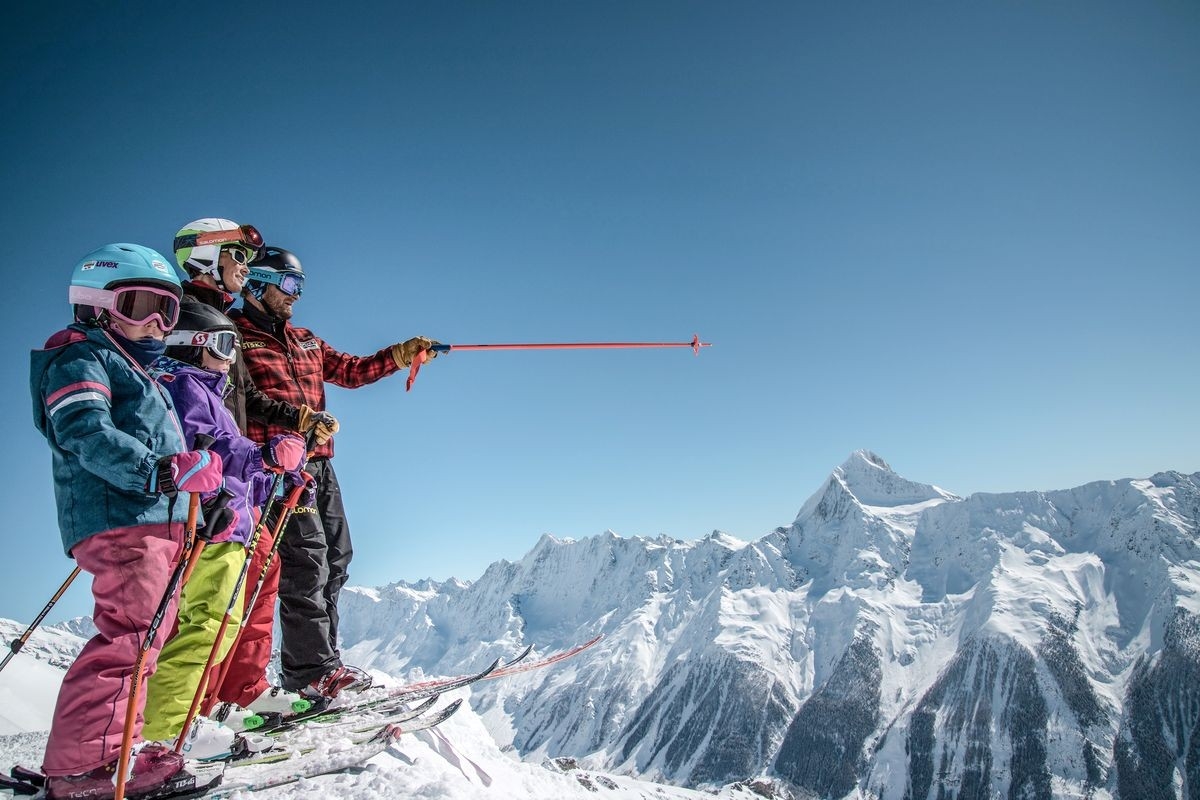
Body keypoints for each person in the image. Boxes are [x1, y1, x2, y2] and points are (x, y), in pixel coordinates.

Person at [30, 243, 225, 799]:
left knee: (149, 639)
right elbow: (83, 430)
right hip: (121, 518)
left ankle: (118, 751)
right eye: (142, 306)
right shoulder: (78, 357)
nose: (159, 323)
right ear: (94, 303)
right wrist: (162, 471)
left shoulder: (139, 370)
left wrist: (200, 502)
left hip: (152, 518)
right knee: (131, 638)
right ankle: (82, 770)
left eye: (168, 309)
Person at [232, 245, 437, 700]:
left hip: (320, 463)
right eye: (288, 285)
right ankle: (310, 673)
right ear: (257, 284)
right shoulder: (237, 338)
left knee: (337, 558)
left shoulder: (305, 340)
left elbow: (352, 370)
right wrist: (290, 423)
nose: (296, 295)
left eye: (300, 286)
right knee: (306, 561)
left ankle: (320, 665)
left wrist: (403, 354)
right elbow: (239, 402)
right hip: (276, 466)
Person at [172, 218, 328, 721]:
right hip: (201, 477)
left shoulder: (220, 318)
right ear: (204, 257)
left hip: (240, 473)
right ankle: (184, 716)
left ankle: (239, 692)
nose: (244, 266)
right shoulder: (187, 316)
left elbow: (241, 399)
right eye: (236, 255)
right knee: (211, 598)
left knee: (261, 573)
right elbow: (188, 401)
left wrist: (282, 434)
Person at [140, 303, 307, 757]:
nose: (231, 357)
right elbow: (210, 448)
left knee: (219, 625)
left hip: (229, 523)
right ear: (192, 346)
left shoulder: (205, 389)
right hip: (211, 527)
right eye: (224, 344)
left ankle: (178, 721)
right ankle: (164, 733)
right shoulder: (182, 387)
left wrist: (281, 477)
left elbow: (232, 459)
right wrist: (266, 455)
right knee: (207, 625)